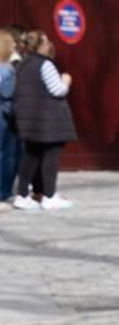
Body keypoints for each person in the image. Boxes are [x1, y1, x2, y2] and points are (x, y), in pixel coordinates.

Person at [11, 29, 78, 211]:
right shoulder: (45, 64)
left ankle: (22, 195)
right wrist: (66, 81)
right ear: (40, 45)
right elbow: (57, 90)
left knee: (31, 155)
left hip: (30, 118)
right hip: (48, 119)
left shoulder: (23, 64)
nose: (49, 45)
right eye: (46, 42)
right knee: (51, 155)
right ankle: (49, 196)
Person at [0, 28, 18, 204]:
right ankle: (4, 191)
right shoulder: (7, 69)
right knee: (6, 154)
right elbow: (7, 94)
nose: (15, 45)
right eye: (12, 42)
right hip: (4, 117)